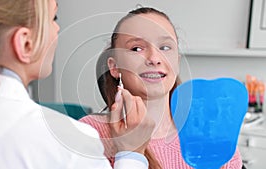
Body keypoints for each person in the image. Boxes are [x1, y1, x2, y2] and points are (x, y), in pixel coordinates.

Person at [0, 0, 155, 169]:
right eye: (53, 18)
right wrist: (131, 155)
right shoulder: (68, 143)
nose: (57, 28)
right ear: (25, 43)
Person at [79, 7, 243, 169]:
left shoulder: (211, 134)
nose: (154, 58)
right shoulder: (89, 134)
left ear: (177, 62)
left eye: (165, 47)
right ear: (114, 67)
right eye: (137, 48)